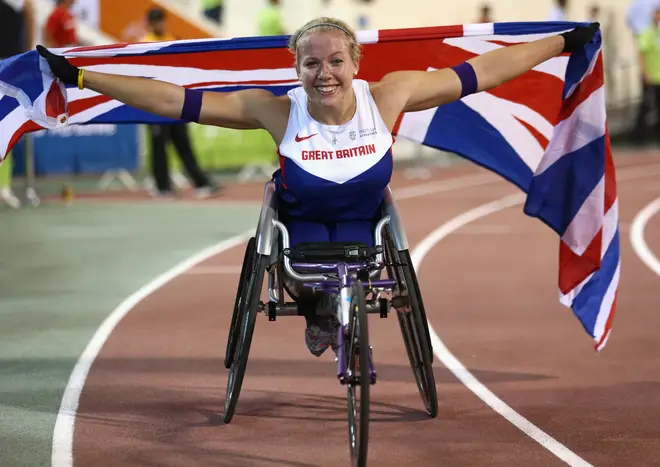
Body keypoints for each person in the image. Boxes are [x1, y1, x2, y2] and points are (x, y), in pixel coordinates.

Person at [35, 17, 599, 356]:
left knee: (361, 260)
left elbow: (483, 73)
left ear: (355, 62)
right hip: (298, 226)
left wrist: (560, 44)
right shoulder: (275, 110)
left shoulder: (391, 95)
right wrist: (83, 78)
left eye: (335, 61)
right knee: (304, 273)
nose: (323, 73)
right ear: (296, 69)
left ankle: (333, 308)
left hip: (367, 221)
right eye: (310, 64)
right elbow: (171, 100)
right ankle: (319, 309)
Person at [142, 7, 221, 199]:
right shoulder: (144, 44)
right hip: (155, 104)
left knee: (183, 143)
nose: (159, 24)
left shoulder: (171, 38)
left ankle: (200, 183)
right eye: (156, 21)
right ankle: (162, 186)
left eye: (161, 20)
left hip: (176, 102)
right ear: (150, 24)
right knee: (158, 146)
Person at [0, 0, 36, 209]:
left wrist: (28, 55)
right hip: (11, 66)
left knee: (6, 128)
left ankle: (4, 186)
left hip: (10, 69)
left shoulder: (20, 6)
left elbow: (29, 18)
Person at [637, 6, 660, 143]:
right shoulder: (647, 33)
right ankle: (640, 136)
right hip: (651, 76)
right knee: (645, 106)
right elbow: (642, 53)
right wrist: (645, 72)